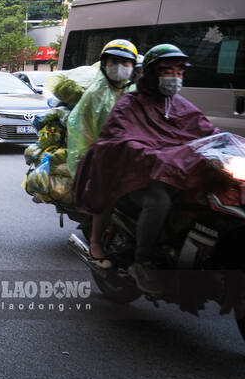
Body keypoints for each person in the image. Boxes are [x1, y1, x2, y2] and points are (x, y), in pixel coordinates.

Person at [73, 44, 219, 296]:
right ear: (152, 73)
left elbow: (206, 130)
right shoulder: (131, 102)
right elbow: (119, 138)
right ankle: (142, 262)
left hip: (173, 172)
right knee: (158, 201)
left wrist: (225, 144)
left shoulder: (180, 104)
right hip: (135, 176)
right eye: (168, 71)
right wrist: (150, 155)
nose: (175, 77)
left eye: (179, 72)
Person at [66, 40, 138, 267]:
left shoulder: (136, 91)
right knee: (108, 192)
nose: (119, 67)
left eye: (125, 62)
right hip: (103, 159)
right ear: (105, 64)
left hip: (135, 155)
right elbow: (81, 133)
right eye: (114, 61)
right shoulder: (94, 95)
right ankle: (96, 242)